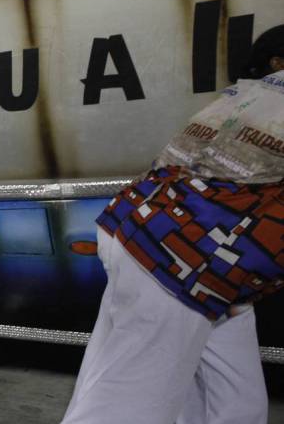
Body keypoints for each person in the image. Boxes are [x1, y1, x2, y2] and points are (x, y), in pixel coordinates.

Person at [61, 26, 284, 424]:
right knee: (129, 404)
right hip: (182, 259)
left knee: (235, 398)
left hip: (157, 237)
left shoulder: (242, 95)